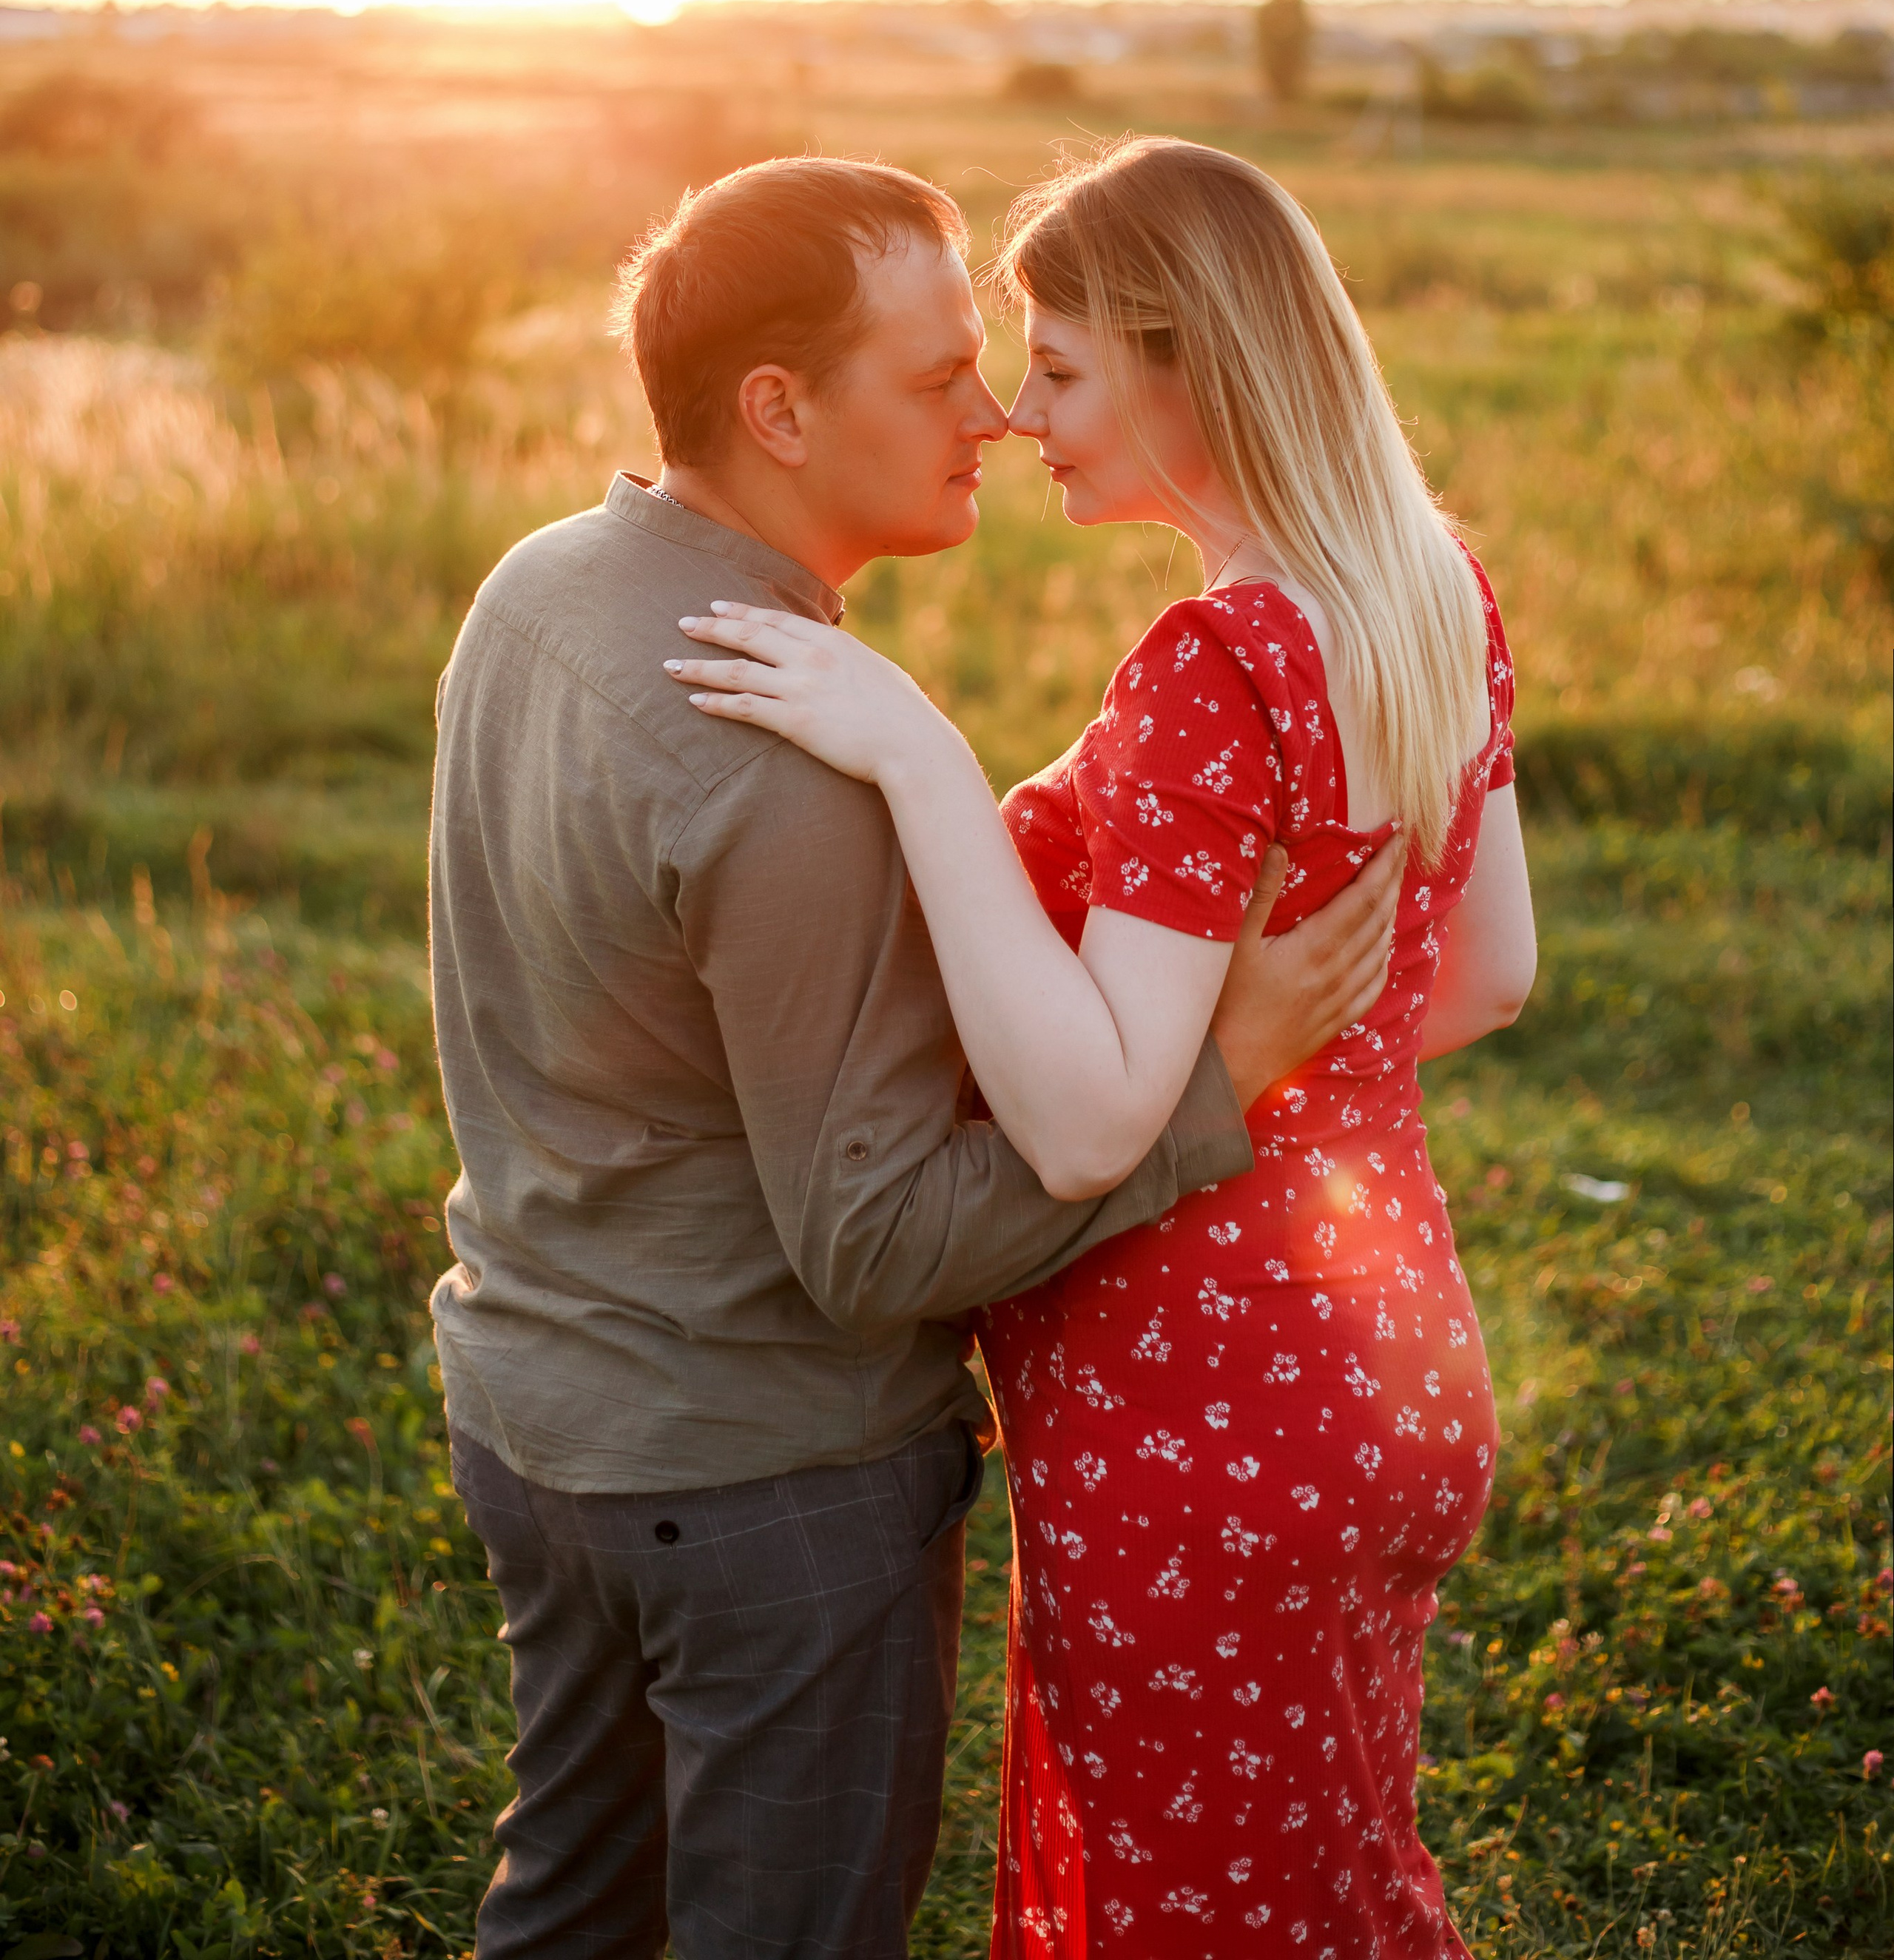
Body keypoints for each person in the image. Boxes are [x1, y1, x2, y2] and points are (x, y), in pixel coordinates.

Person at [427, 153, 1402, 1960]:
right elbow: (872, 1244)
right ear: (776, 409)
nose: (1001, 417)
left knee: (569, 1902)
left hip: (534, 1414)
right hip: (757, 1493)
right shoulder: (787, 769)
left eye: (996, 363)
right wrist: (1219, 1078)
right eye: (938, 374)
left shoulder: (539, 588)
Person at [668, 135, 1538, 1959]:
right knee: (1339, 1883)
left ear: (1183, 360)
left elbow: (1082, 1124)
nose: (1016, 412)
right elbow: (1478, 981)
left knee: (1199, 1921)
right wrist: (1279, 1052)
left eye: (1056, 367)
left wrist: (913, 751)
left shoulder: (1212, 669)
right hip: (1385, 1378)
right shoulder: (1428, 593)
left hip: (1196, 1428)